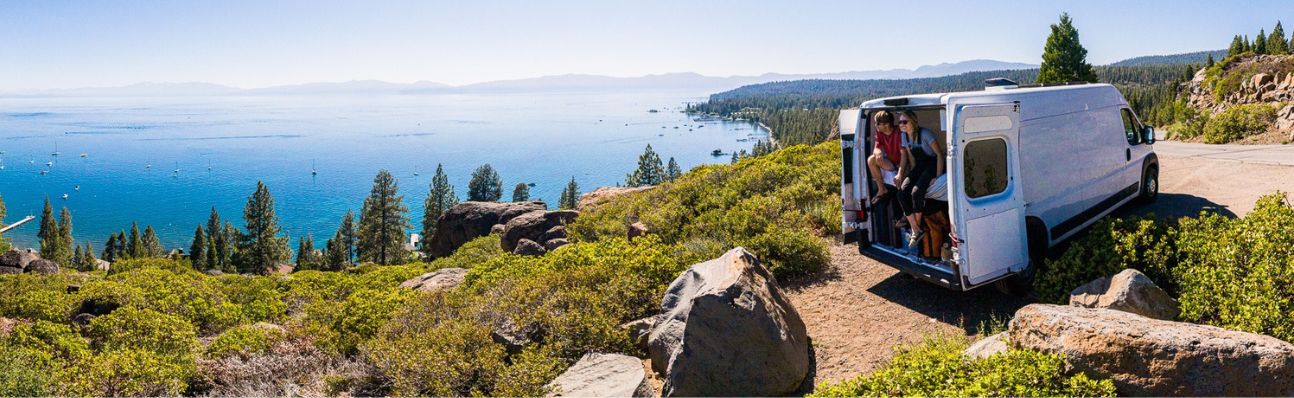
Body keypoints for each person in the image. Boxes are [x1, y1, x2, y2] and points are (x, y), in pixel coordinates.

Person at [894, 110, 945, 250]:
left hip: (932, 164)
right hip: (919, 166)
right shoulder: (904, 136)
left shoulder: (925, 134)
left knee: (916, 193)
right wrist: (906, 174)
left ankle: (915, 232)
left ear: (913, 122)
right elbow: (909, 157)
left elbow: (939, 154)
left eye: (905, 121)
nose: (901, 124)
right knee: (901, 193)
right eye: (900, 122)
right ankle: (916, 229)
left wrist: (938, 176)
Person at [866, 110, 902, 203]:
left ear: (886, 124)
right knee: (871, 160)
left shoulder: (900, 131)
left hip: (903, 164)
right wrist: (877, 152)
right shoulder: (880, 133)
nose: (876, 125)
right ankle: (881, 189)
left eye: (878, 123)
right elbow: (876, 148)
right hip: (891, 163)